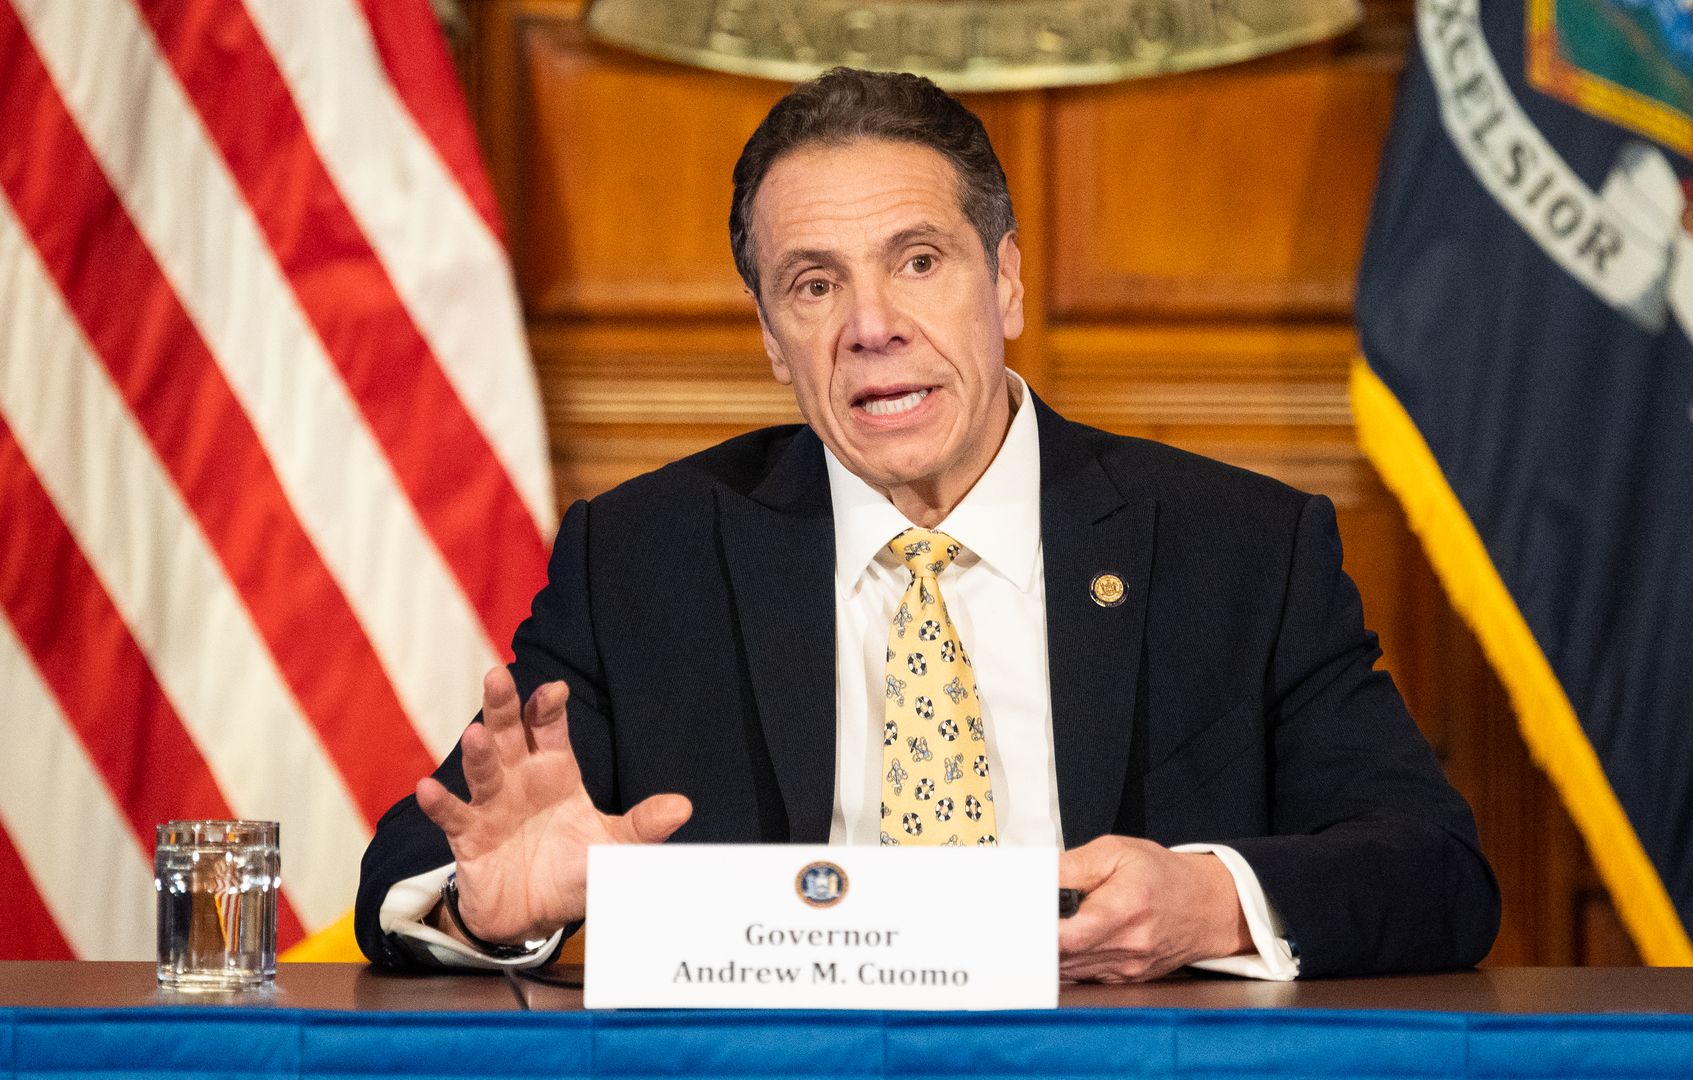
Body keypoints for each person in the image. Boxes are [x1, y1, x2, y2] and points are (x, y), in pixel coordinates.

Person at [356, 68, 1499, 981]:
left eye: (918, 262)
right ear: (770, 337)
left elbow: (1438, 871)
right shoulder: (646, 561)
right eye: (813, 284)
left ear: (1002, 284)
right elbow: (443, 861)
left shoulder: (1239, 550)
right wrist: (491, 910)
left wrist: (1211, 901)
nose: (871, 326)